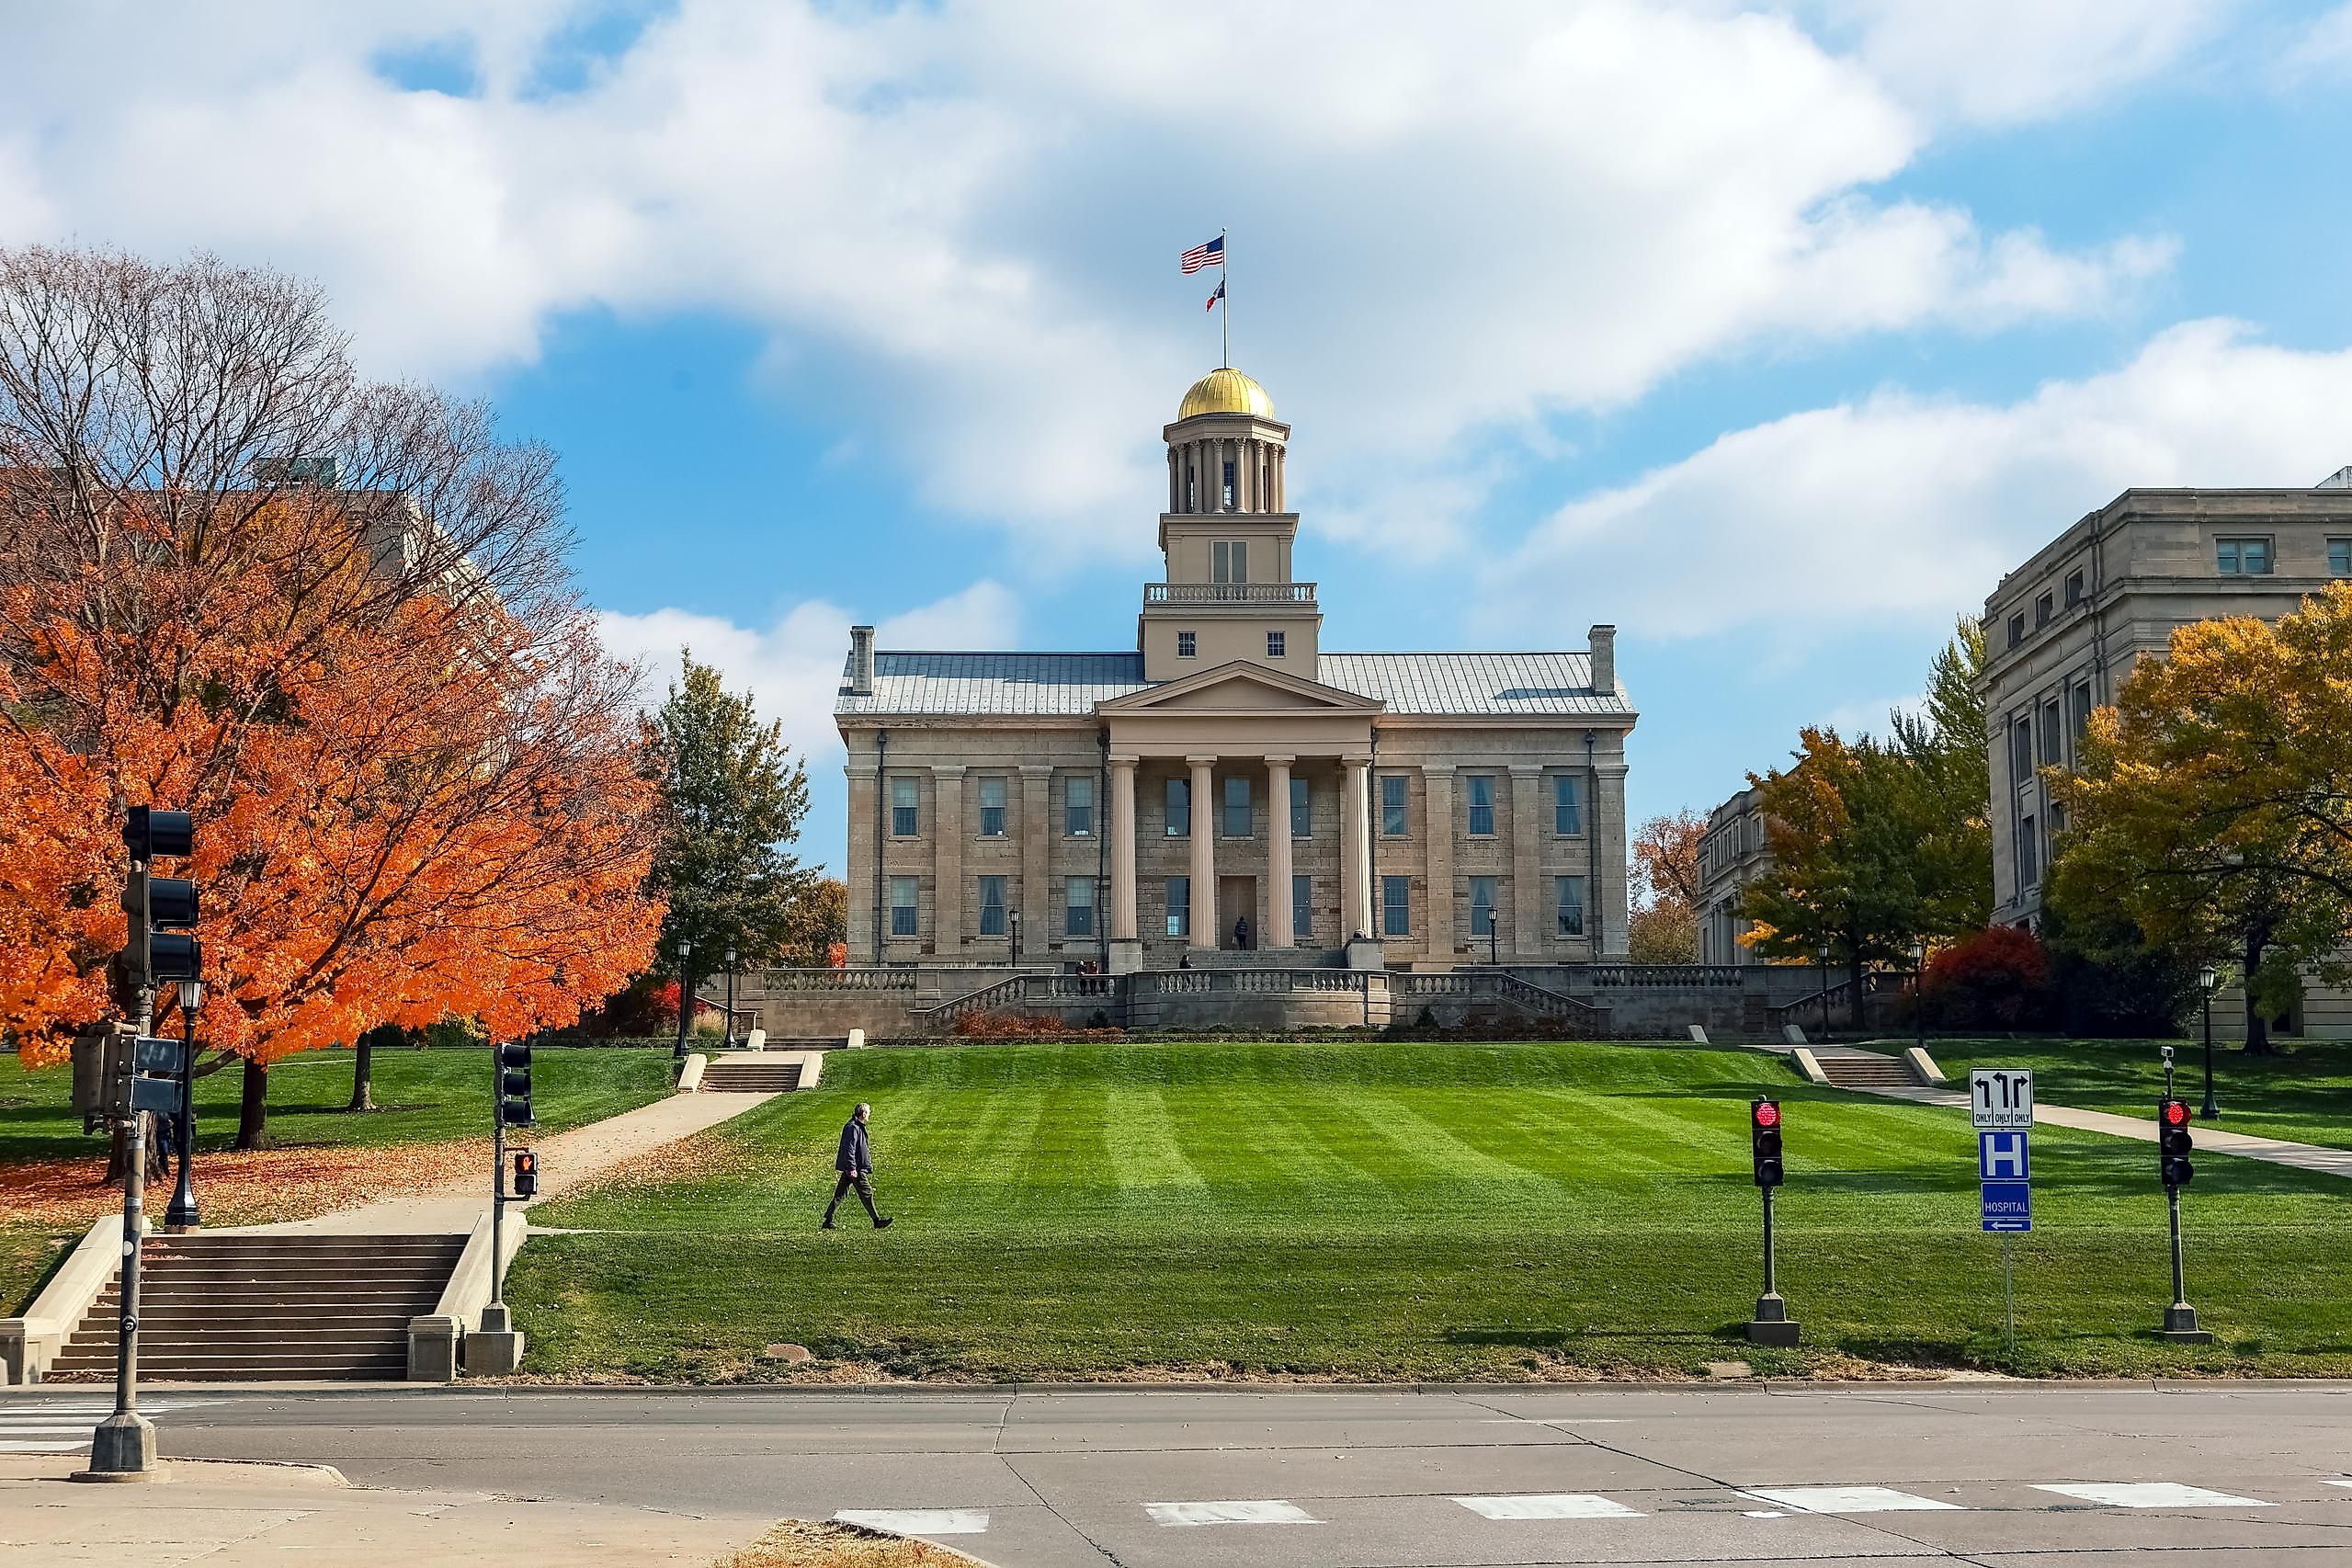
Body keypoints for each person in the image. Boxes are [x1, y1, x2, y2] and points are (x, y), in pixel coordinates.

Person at [822, 1102, 892, 1231]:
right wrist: (852, 1168)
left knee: (840, 1194)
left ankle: (828, 1220)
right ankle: (876, 1221)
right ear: (864, 1113)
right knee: (867, 1192)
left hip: (853, 1167)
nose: (869, 1114)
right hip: (856, 1168)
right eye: (869, 1112)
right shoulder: (853, 1127)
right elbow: (850, 1149)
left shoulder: (857, 1126)